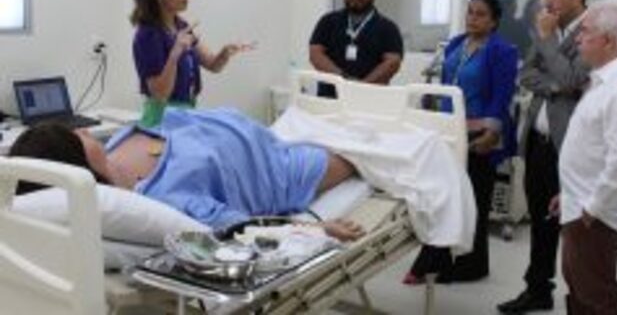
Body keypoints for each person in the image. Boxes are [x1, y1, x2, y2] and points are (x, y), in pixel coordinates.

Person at [9, 108, 364, 240]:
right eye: (77, 138)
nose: (85, 130)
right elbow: (240, 229)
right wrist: (315, 229)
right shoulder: (164, 200)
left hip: (259, 132)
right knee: (362, 154)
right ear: (79, 168)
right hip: (276, 168)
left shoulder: (112, 151)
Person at [405, 0, 519, 284]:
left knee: (476, 199)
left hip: (481, 132)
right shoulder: (456, 43)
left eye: (480, 14)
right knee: (446, 195)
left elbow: (502, 95)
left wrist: (492, 133)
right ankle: (440, 258)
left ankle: (473, 265)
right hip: (450, 130)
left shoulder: (502, 50)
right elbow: (445, 86)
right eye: (470, 12)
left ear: (494, 21)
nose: (473, 18)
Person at [498, 0, 590, 314]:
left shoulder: (593, 31)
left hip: (569, 147)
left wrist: (550, 45)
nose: (546, 1)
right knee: (540, 221)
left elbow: (573, 78)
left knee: (573, 227)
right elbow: (526, 73)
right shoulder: (549, 26)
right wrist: (555, 86)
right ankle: (538, 290)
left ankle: (582, 299)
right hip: (538, 141)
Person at [549, 2, 617, 314]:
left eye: (585, 31)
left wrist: (592, 207)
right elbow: (591, 148)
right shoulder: (603, 80)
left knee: (596, 295)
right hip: (579, 202)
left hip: (595, 215)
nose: (577, 38)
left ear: (608, 40)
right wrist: (568, 193)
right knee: (579, 286)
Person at [131, 0, 253, 127]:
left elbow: (213, 64)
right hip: (162, 118)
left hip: (186, 113)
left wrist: (225, 53)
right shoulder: (148, 35)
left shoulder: (182, 26)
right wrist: (174, 55)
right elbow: (159, 95)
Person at [309, 0, 404, 96]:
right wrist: (343, 79)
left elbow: (392, 63)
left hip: (371, 99)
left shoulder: (388, 28)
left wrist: (361, 88)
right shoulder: (328, 21)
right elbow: (315, 54)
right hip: (330, 99)